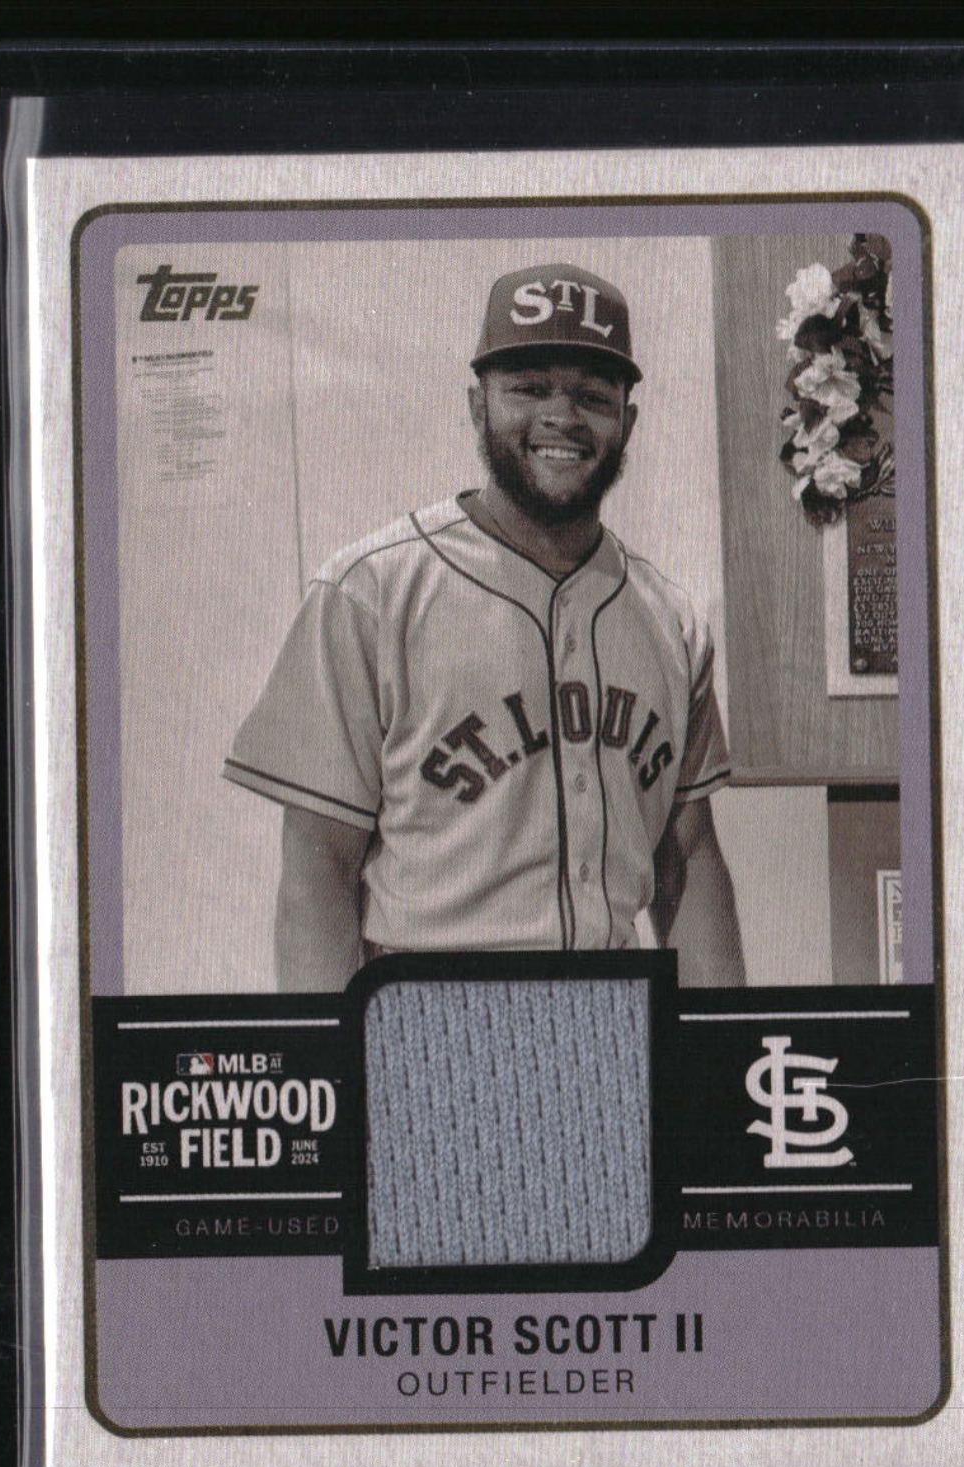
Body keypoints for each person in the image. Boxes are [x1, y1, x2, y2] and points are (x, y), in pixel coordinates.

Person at [223, 262, 745, 991]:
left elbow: (689, 862)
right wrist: (327, 1052)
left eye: (594, 397)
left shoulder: (670, 619)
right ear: (478, 407)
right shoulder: (371, 593)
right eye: (529, 388)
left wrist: (725, 1042)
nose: (562, 417)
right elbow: (319, 871)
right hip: (427, 1007)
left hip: (615, 1011)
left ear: (627, 421)